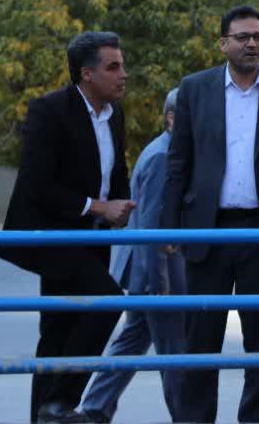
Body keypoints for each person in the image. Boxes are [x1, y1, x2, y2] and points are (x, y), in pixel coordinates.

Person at [160, 5, 259, 423]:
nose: (252, 44)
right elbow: (178, 164)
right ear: (223, 43)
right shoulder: (195, 89)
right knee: (200, 345)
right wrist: (168, 228)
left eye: (258, 37)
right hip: (207, 233)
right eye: (243, 37)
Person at [0, 31, 135, 424]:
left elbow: (114, 172)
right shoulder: (49, 110)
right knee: (107, 301)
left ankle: (46, 414)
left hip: (93, 236)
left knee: (59, 328)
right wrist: (99, 206)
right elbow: (37, 184)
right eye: (113, 67)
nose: (123, 74)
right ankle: (59, 402)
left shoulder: (115, 114)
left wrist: (122, 205)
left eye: (122, 65)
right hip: (53, 234)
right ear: (86, 74)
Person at [79, 88, 187, 423]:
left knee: (133, 341)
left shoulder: (166, 152)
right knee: (175, 351)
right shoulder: (163, 157)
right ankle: (186, 416)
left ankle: (95, 407)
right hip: (156, 273)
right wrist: (160, 285)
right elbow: (151, 227)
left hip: (149, 271)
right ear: (172, 118)